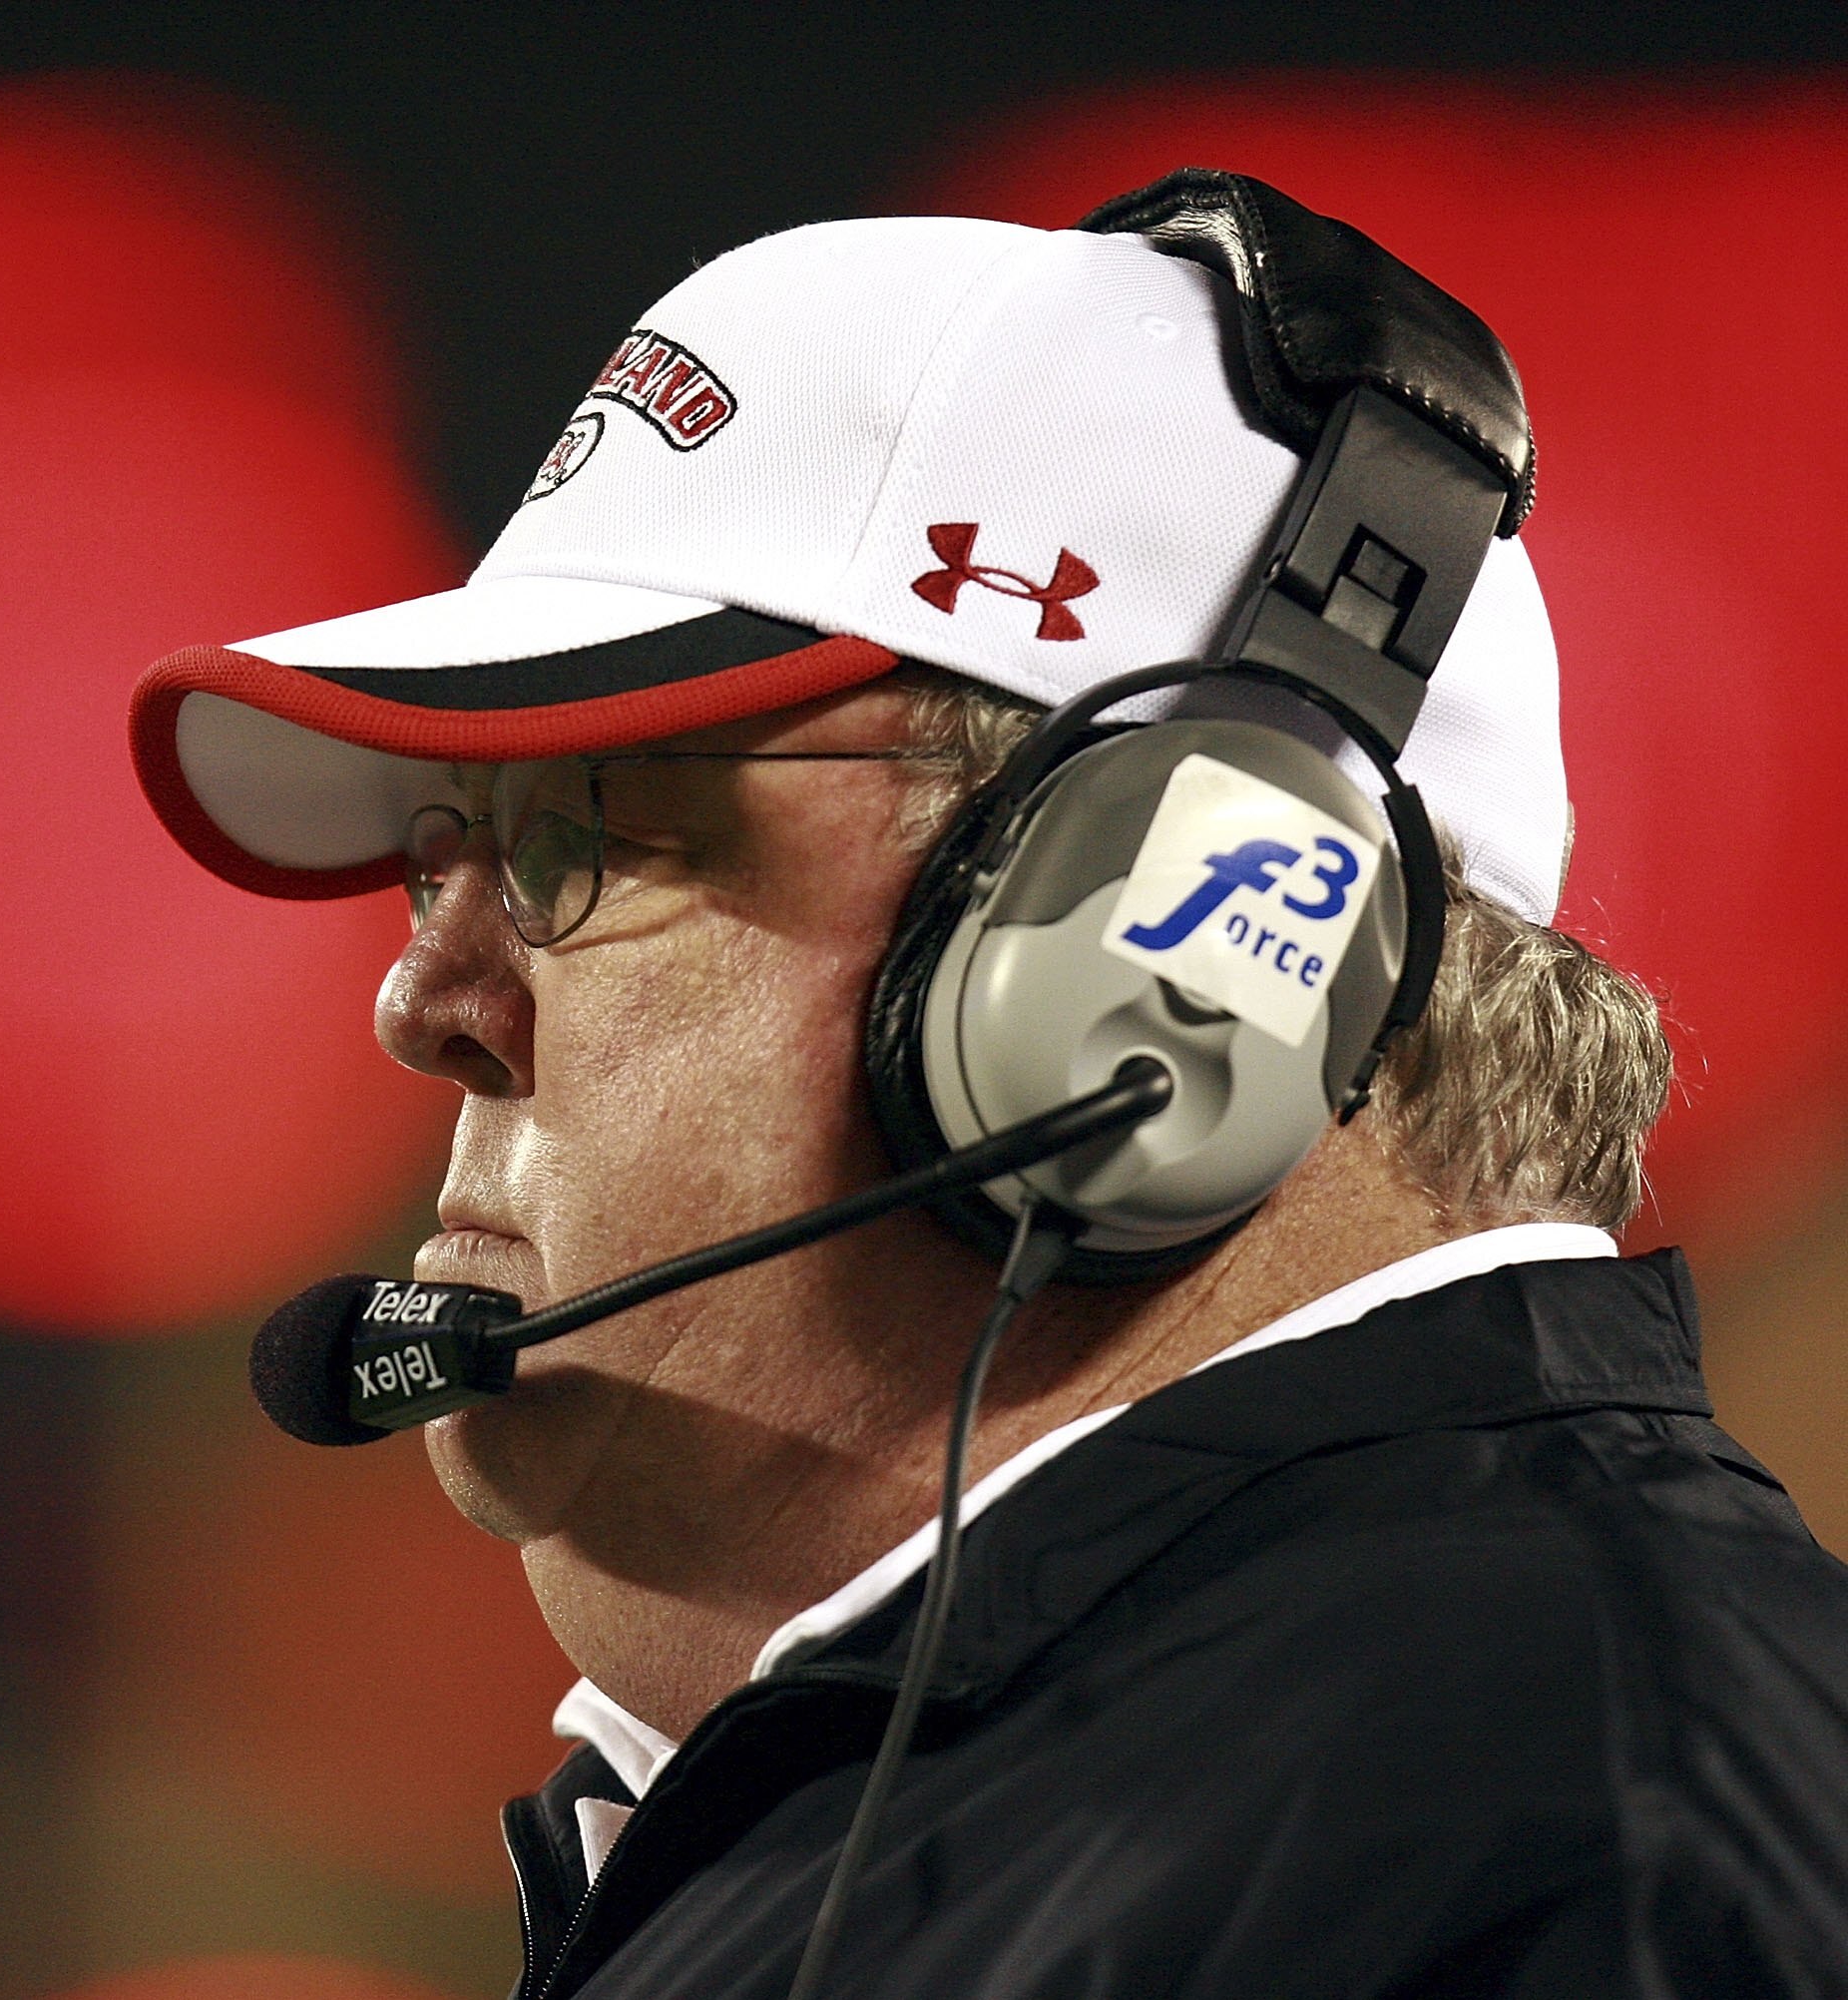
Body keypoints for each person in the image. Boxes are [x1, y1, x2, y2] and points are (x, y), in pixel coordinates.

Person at [128, 183, 1848, 1996]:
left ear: (1160, 957)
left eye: (580, 846)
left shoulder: (1578, 1846)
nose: (427, 1002)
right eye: (431, 861)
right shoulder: (1100, 1803)